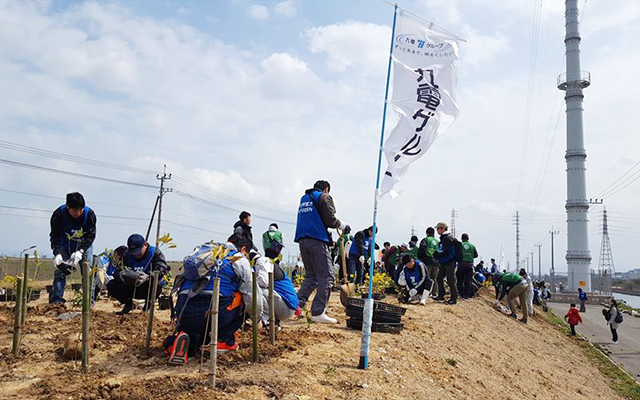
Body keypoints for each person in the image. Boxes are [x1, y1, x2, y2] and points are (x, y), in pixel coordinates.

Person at [164, 234, 262, 363]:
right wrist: (257, 318)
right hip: (214, 312)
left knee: (196, 328)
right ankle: (224, 340)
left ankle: (181, 339)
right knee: (243, 297)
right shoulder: (237, 258)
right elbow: (252, 294)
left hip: (184, 311)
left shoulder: (201, 254)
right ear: (243, 249)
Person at [294, 180, 348, 324]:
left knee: (311, 275)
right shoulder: (324, 197)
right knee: (327, 276)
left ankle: (296, 307)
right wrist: (342, 225)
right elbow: (330, 219)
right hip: (317, 240)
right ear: (326, 189)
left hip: (302, 240)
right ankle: (318, 311)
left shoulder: (304, 198)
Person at [49, 192, 97, 304]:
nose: (78, 213)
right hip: (64, 245)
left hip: (84, 245)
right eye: (75, 210)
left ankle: (88, 301)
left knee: (87, 271)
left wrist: (80, 251)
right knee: (60, 270)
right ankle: (57, 301)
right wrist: (57, 253)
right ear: (68, 207)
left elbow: (91, 236)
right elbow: (55, 236)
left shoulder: (89, 215)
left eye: (81, 209)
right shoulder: (59, 215)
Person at [106, 234, 170, 315]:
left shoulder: (155, 253)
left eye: (138, 252)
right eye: (133, 252)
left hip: (147, 286)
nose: (136, 255)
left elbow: (161, 269)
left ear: (145, 245)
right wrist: (122, 274)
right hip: (131, 286)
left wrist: (148, 276)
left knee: (158, 283)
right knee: (111, 284)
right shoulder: (127, 255)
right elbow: (117, 270)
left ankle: (147, 307)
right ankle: (128, 304)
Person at [252, 252, 298, 328]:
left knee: (254, 290)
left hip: (286, 306)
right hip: (287, 306)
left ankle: (267, 323)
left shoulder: (261, 261)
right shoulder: (268, 264)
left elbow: (264, 282)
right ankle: (274, 323)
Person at [434, 222, 457, 305]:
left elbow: (451, 253)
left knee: (451, 280)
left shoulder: (448, 239)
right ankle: (441, 295)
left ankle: (454, 298)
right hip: (444, 262)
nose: (437, 230)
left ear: (442, 229)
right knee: (439, 277)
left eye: (438, 229)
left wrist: (444, 258)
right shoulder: (443, 238)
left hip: (449, 262)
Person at [418, 227, 440, 297]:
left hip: (427, 261)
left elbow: (422, 249)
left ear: (427, 233)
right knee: (434, 278)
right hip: (436, 262)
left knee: (427, 278)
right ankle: (434, 293)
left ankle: (427, 293)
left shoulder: (425, 240)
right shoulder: (437, 241)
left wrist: (420, 258)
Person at [456, 233, 478, 299]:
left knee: (460, 280)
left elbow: (456, 254)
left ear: (462, 239)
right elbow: (476, 255)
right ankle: (467, 295)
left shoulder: (460, 245)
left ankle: (461, 294)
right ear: (468, 238)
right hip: (469, 265)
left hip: (461, 265)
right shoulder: (472, 246)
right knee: (468, 281)